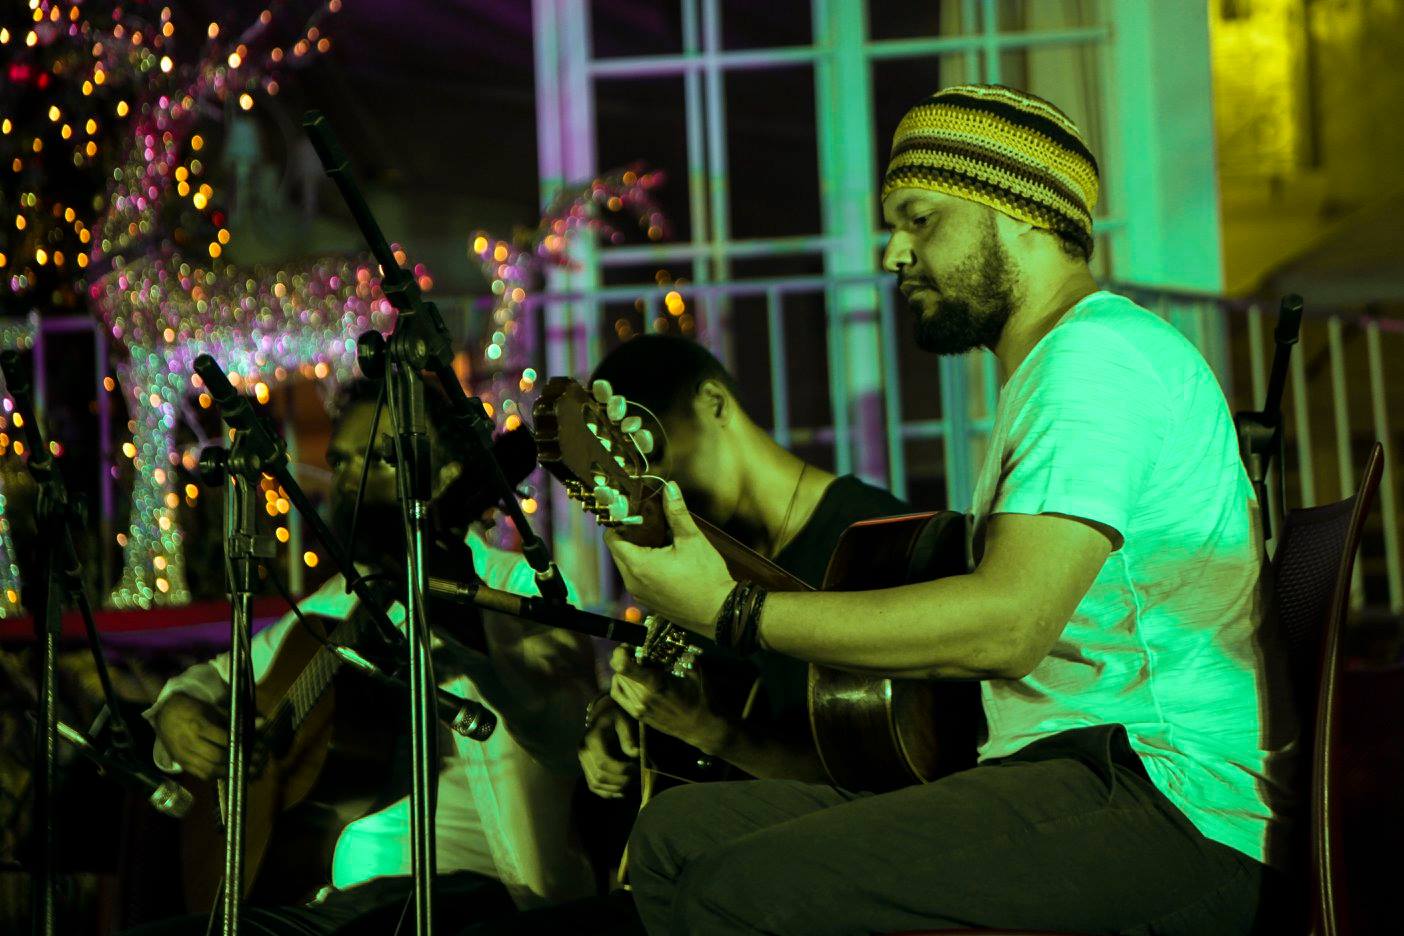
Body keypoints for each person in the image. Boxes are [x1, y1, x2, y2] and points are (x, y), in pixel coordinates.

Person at [604, 84, 1298, 935]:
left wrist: (733, 610)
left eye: (920, 219)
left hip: (1168, 801)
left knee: (742, 888)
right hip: (1066, 774)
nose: (893, 253)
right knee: (676, 837)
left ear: (1022, 213)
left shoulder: (1095, 360)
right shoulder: (1058, 368)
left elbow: (1009, 624)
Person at [457, 335, 908, 936]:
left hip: (813, 889)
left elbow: (887, 787)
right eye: (630, 469)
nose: (652, 484)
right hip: (702, 876)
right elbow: (687, 704)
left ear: (714, 403)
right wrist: (621, 726)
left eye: (651, 449)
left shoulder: (872, 541)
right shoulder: (699, 558)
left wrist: (709, 731)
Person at [124, 380, 598, 935]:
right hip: (332, 899)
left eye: (381, 458)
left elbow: (569, 734)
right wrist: (179, 710)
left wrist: (475, 647)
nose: (351, 477)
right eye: (342, 460)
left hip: (469, 892)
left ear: (447, 478)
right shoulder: (337, 602)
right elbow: (216, 677)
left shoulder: (518, 588)